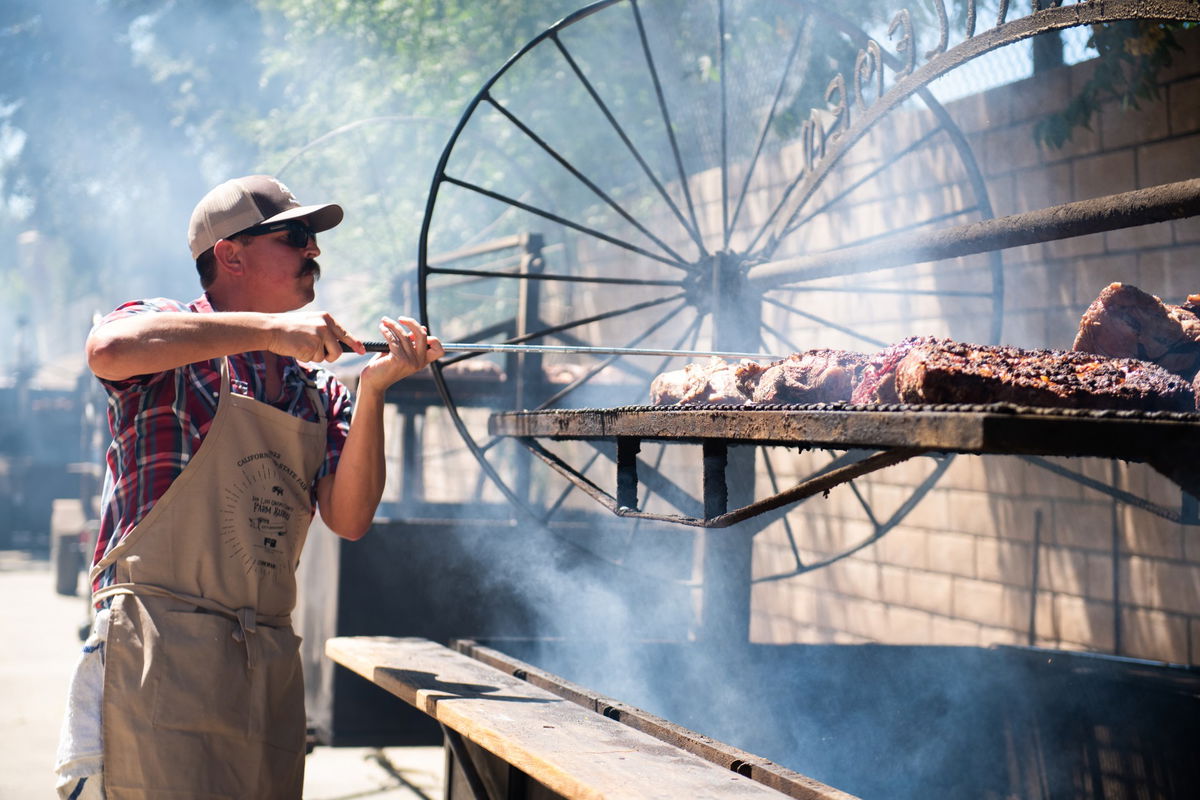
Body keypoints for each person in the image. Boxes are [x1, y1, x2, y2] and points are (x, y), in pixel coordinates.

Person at [54, 175, 443, 799]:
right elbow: (107, 350)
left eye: (313, 238)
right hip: (158, 652)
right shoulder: (167, 334)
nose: (313, 251)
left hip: (265, 666)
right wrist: (266, 330)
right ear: (229, 254)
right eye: (296, 236)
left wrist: (374, 391)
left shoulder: (319, 392)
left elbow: (349, 517)